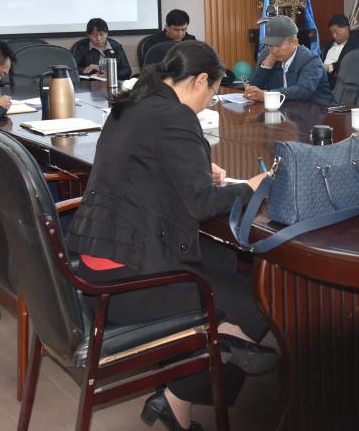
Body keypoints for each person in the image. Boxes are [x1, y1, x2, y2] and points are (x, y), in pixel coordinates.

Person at [64, 41, 275, 431]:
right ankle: (189, 382)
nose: (209, 103)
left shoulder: (132, 105)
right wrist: (252, 186)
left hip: (96, 258)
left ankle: (189, 384)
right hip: (129, 279)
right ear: (199, 80)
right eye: (212, 93)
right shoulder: (175, 117)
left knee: (223, 261)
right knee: (258, 301)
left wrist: (195, 171)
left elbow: (139, 168)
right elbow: (201, 203)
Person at [244, 16, 335, 105]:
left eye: (278, 45)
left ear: (294, 42)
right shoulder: (268, 55)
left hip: (320, 112)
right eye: (271, 45)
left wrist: (267, 95)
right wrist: (266, 66)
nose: (274, 50)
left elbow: (303, 91)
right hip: (287, 112)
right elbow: (252, 91)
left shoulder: (311, 60)